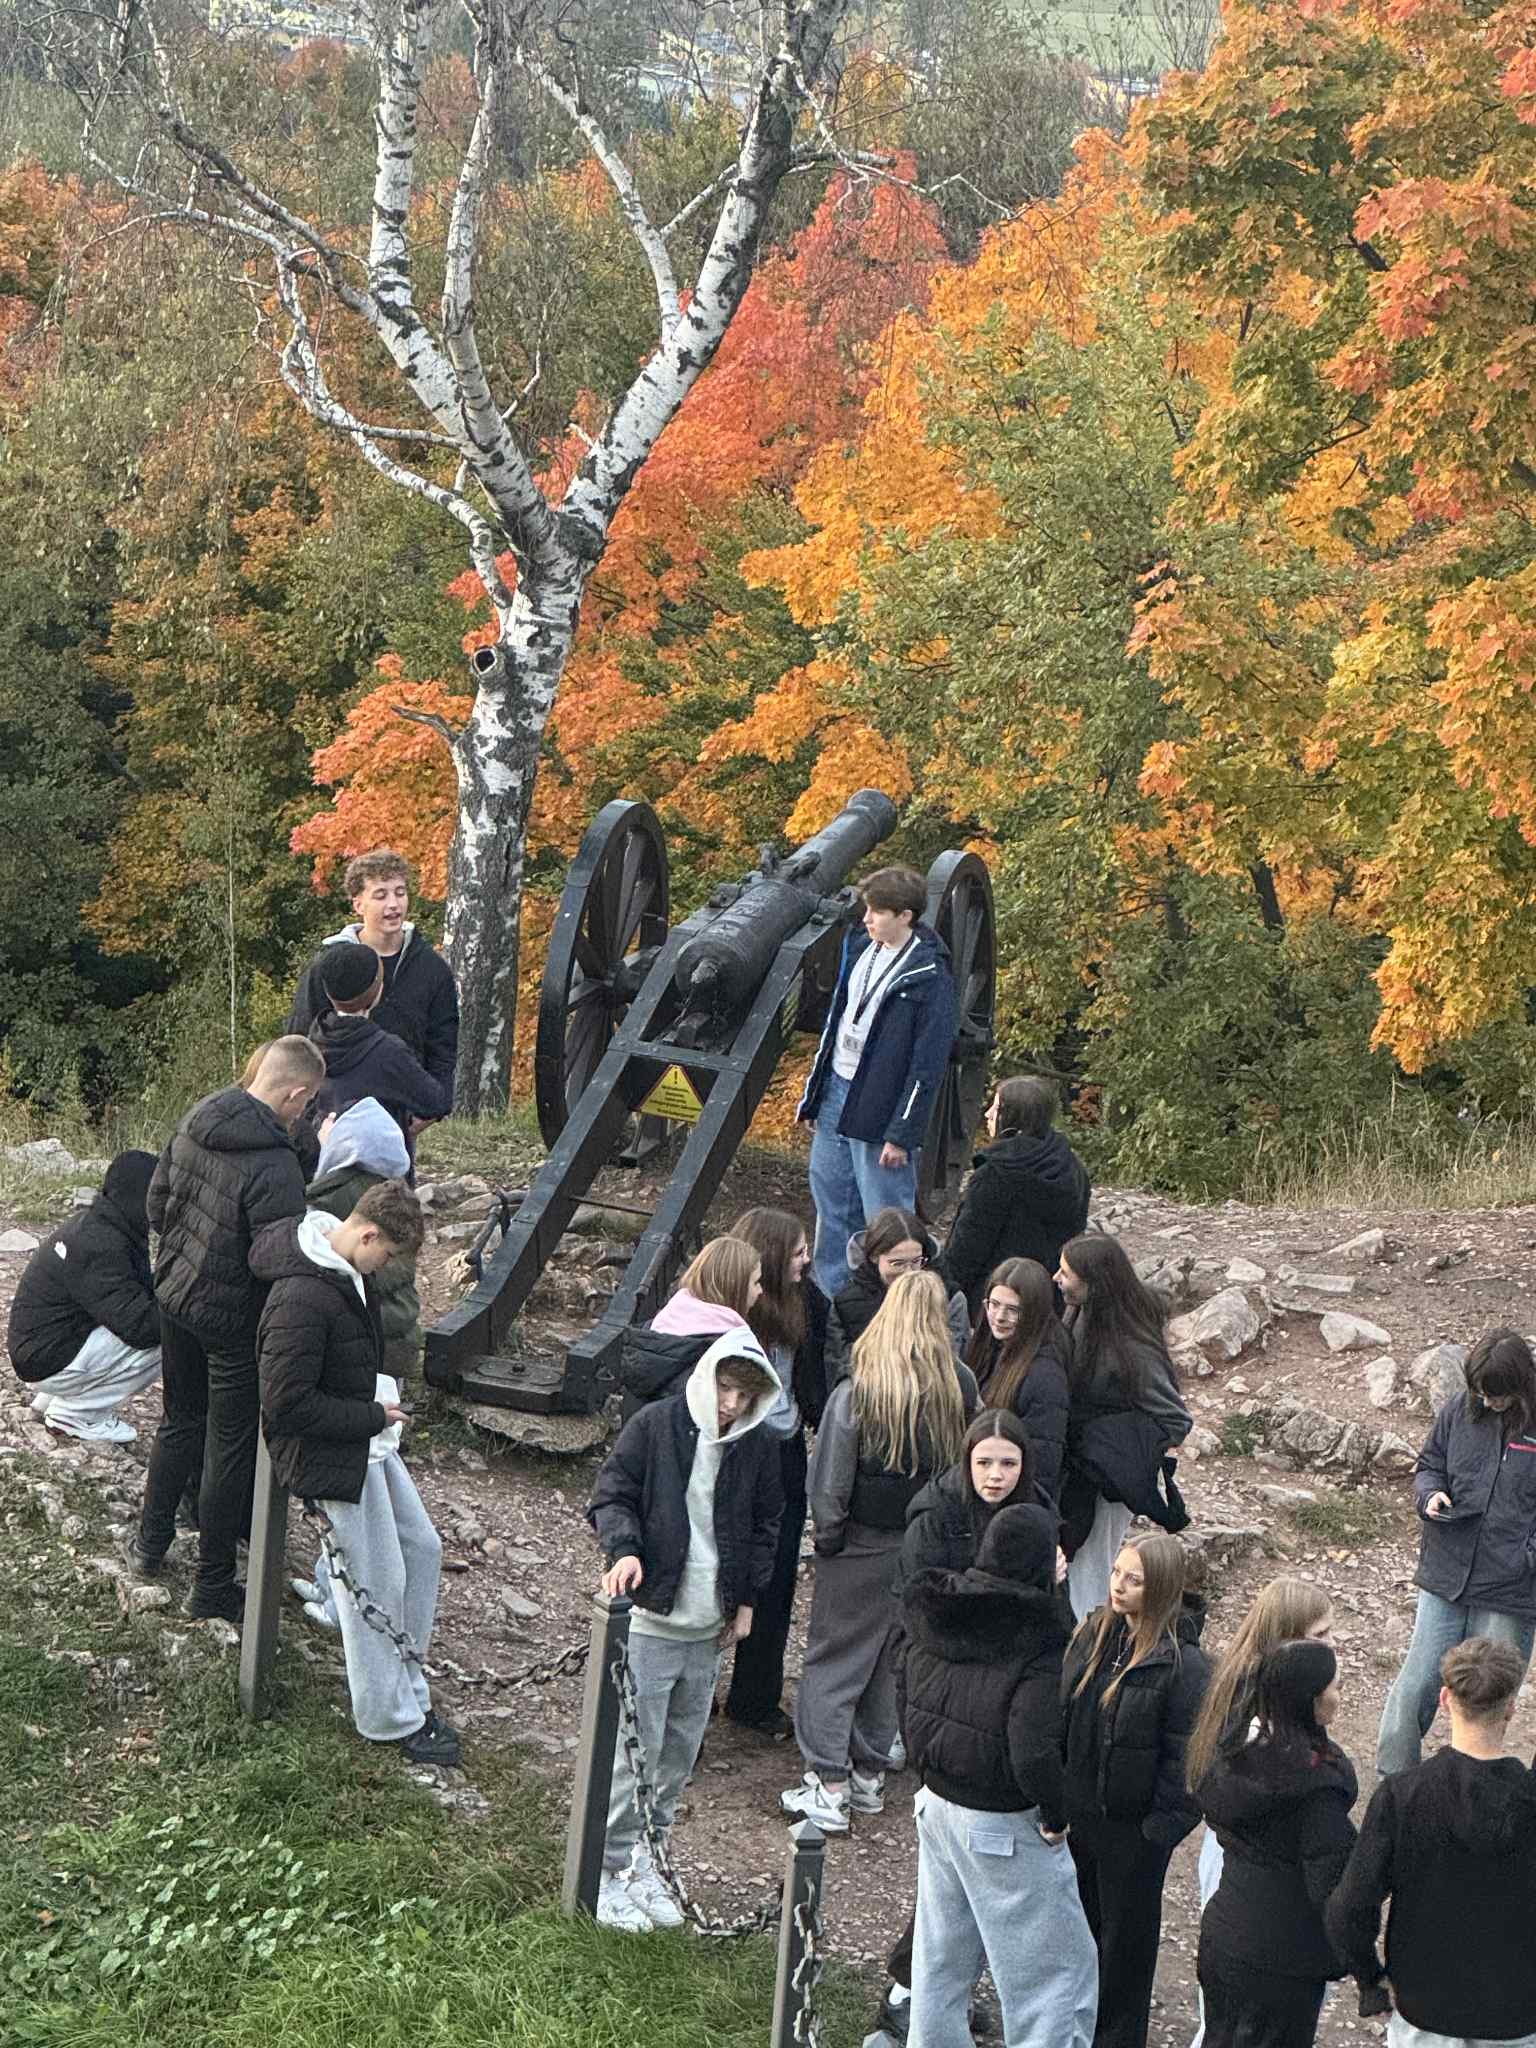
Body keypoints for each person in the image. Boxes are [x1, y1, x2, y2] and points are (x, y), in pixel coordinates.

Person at [253, 1177, 458, 1765]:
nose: (384, 1267)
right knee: (377, 1578)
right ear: (366, 1234)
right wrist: (370, 1415)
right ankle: (387, 1718)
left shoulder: (347, 1273)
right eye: (386, 1255)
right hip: (328, 1452)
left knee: (421, 1549)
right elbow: (285, 1405)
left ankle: (407, 1682)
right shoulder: (301, 1298)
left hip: (362, 1437)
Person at [586, 1334, 784, 1932]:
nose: (731, 1405)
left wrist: (746, 1601)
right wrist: (624, 1550)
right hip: (652, 1620)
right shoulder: (654, 1426)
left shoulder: (757, 1446)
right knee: (633, 1752)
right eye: (726, 1389)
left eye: (745, 1397)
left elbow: (765, 1525)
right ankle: (604, 1867)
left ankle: (647, 1858)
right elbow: (612, 1494)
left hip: (707, 1627)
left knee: (676, 1755)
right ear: (706, 1378)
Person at [128, 1036, 323, 1621]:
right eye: (306, 1104)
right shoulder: (275, 1165)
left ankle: (149, 1544)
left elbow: (157, 1206)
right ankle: (212, 1582)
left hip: (174, 1296)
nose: (304, 1113)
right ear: (297, 1093)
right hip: (231, 1322)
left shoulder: (199, 1116)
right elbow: (273, 1259)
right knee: (229, 1444)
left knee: (178, 1420)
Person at [875, 1407, 1050, 2042]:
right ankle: (911, 1991)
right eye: (984, 1462)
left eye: (1008, 1463)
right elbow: (914, 1613)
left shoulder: (1035, 1513)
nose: (996, 1475)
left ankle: (934, 1996)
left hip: (999, 1703)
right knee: (951, 1880)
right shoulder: (936, 1518)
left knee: (966, 1882)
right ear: (966, 1461)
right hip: (946, 1695)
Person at [782, 1270, 975, 1835]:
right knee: (893, 1660)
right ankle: (868, 1773)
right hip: (926, 1544)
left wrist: (828, 1537)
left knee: (834, 1659)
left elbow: (831, 1477)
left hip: (862, 1539)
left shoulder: (862, 1387)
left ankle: (827, 1782)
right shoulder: (960, 1386)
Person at [900, 1503, 1097, 2048]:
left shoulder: (938, 1609)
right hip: (1002, 1822)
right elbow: (1032, 1750)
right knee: (1054, 1975)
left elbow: (903, 1692)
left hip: (936, 1804)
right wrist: (1057, 1814)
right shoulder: (1038, 1635)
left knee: (940, 1959)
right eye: (1053, 1550)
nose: (1062, 1560)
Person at [1329, 1636, 1536, 2048]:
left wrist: (1370, 1979)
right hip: (1515, 2015)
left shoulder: (1402, 1796)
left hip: (1424, 2012)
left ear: (1444, 1699)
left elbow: (1349, 1906)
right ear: (1511, 1708)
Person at [1061, 1533, 1210, 2048]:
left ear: (1161, 1588)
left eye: (1135, 1580)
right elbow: (1065, 1715)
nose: (1118, 1586)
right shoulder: (1094, 1633)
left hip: (1134, 1833)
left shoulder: (1186, 1666)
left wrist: (1156, 1834)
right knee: (1076, 1933)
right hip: (1081, 1818)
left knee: (1125, 1949)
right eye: (1116, 1573)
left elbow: (1188, 1762)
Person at [1183, 1579, 1337, 2048]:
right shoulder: (1261, 1712)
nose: (1332, 1646)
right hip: (1247, 1866)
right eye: (1321, 1635)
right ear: (1289, 1638)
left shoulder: (1239, 1689)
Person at [1376, 1327, 1536, 1776]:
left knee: (1488, 1694)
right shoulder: (1459, 1410)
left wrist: (1527, 1555)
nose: (1486, 1402)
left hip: (1509, 1588)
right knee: (1416, 1683)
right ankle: (1393, 1784)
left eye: (1496, 1395)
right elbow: (1430, 1465)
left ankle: (1475, 1791)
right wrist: (1429, 1496)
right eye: (1480, 1392)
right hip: (1446, 1573)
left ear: (1519, 1383)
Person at [291, 1099, 423, 1631]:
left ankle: (337, 1595)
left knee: (353, 1504)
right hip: (380, 1357)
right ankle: (332, 1589)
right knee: (352, 1503)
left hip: (368, 1363)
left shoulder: (338, 1201)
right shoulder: (387, 1202)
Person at [798, 866, 956, 1300]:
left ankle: (899, 1304)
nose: (867, 919)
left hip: (881, 1104)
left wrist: (902, 1132)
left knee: (886, 1218)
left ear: (905, 916)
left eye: (878, 912)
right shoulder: (860, 946)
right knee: (831, 1202)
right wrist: (814, 1097)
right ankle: (833, 1301)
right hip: (838, 1090)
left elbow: (927, 1065)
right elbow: (835, 1026)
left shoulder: (930, 975)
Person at [721, 1207, 830, 1740]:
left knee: (777, 1572)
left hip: (783, 1450)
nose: (806, 1260)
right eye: (798, 1251)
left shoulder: (808, 1301)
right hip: (733, 1448)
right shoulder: (729, 1306)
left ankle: (754, 1696)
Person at [1057, 1233, 1192, 1621]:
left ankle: (1090, 1638)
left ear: (1093, 1283)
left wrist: (1117, 1450)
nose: (1056, 1278)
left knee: (1092, 1565)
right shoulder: (1082, 1314)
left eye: (1066, 1273)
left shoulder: (1132, 1348)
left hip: (1106, 1481)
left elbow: (1175, 1419)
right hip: (1081, 1469)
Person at [287, 847, 458, 1117]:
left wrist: (430, 1113)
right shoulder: (331, 966)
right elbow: (299, 1040)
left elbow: (443, 1049)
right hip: (331, 1117)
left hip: (401, 1115)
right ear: (358, 904)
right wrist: (307, 1116)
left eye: (400, 893)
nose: (394, 904)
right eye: (381, 895)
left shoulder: (432, 969)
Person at [7, 1151, 161, 1444]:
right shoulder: (100, 1245)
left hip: (41, 1348)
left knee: (151, 1318)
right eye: (159, 1195)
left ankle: (53, 1399)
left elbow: (130, 1293)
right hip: (45, 1361)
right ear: (140, 1197)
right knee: (166, 1337)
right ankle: (75, 1414)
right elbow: (140, 1328)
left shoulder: (103, 1224)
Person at [939, 1077, 1092, 1315]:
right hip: (1047, 1301)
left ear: (1013, 1117)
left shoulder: (996, 1174)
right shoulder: (1072, 1168)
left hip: (994, 1303)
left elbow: (967, 1251)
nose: (988, 1114)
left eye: (996, 1108)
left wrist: (944, 1296)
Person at [304, 941, 453, 1147]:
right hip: (378, 1159)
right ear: (376, 993)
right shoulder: (388, 1051)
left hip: (320, 1159)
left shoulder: (310, 1044)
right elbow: (436, 1102)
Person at [966, 1256, 1072, 1504]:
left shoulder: (1045, 1377)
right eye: (994, 1305)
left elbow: (1042, 1466)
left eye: (1013, 1310)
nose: (999, 1317)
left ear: (1034, 1313)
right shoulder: (991, 1349)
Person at [825, 1207, 970, 1382]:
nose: (908, 1272)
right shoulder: (847, 1305)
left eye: (916, 1261)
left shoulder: (949, 1298)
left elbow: (955, 1364)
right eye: (897, 1263)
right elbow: (838, 1369)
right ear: (874, 1257)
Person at [618, 1236, 762, 1407]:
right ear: (736, 1287)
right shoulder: (722, 1351)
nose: (760, 1291)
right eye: (756, 1282)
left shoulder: (653, 1331)